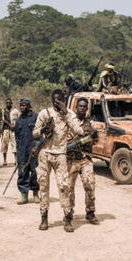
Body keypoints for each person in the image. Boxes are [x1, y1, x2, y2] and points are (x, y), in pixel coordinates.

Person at [33, 89, 83, 232]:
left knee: (64, 186)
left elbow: (78, 130)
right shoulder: (44, 113)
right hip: (45, 153)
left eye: (60, 99)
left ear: (64, 100)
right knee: (43, 185)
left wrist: (66, 113)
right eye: (55, 100)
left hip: (61, 154)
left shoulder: (69, 114)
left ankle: (67, 219)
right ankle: (44, 218)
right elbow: (35, 133)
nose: (57, 102)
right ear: (51, 100)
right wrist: (43, 128)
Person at [66, 98, 100, 225]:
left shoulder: (91, 124)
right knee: (69, 188)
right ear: (76, 107)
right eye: (79, 106)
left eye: (84, 106)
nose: (81, 108)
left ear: (87, 109)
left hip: (85, 159)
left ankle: (90, 212)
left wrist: (94, 135)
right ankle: (68, 213)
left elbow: (96, 141)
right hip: (71, 159)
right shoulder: (69, 122)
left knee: (90, 184)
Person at [14, 97, 39, 205]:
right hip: (22, 151)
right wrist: (19, 149)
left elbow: (40, 133)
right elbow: (17, 136)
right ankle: (24, 195)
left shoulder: (36, 117)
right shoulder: (19, 120)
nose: (22, 107)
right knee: (22, 172)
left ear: (29, 106)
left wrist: (37, 147)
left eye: (24, 105)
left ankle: (35, 194)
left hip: (34, 150)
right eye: (21, 105)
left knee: (34, 172)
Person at [0, 98, 20, 166]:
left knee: (14, 144)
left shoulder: (15, 111)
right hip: (6, 129)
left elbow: (19, 119)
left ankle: (16, 160)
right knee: (4, 144)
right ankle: (4, 160)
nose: (8, 104)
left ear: (11, 103)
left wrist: (15, 126)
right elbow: (2, 119)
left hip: (13, 129)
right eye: (7, 103)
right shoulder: (3, 111)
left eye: (9, 103)